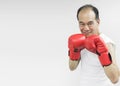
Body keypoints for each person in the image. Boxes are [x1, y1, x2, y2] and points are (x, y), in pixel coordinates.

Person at [68, 4, 120, 86]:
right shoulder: (80, 40)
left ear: (98, 22)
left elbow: (115, 79)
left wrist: (102, 54)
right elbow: (72, 68)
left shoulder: (106, 43)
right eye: (82, 24)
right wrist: (75, 50)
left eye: (90, 23)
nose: (86, 28)